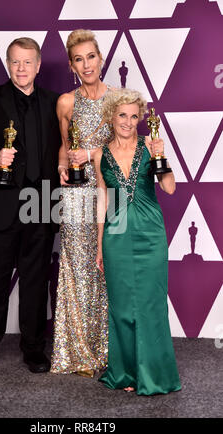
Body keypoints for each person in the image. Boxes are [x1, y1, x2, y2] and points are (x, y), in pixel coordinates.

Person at [0, 37, 61, 378]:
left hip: (42, 206)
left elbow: (61, 153)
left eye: (27, 61)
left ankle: (34, 350)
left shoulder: (55, 103)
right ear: (8, 64)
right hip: (0, 207)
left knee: (36, 282)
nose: (21, 68)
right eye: (15, 62)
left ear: (38, 64)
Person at [94, 88, 181, 395]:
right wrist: (99, 242)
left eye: (134, 116)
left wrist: (161, 155)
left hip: (150, 233)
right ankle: (127, 372)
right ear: (111, 116)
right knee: (121, 307)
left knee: (150, 304)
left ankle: (153, 372)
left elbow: (169, 187)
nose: (128, 122)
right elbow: (103, 198)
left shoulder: (149, 146)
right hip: (116, 236)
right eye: (122, 115)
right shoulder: (99, 153)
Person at [50, 29, 113, 377]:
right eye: (79, 59)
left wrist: (90, 153)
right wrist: (62, 166)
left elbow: (127, 151)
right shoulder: (65, 102)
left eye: (91, 56)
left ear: (100, 58)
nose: (86, 64)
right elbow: (64, 145)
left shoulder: (118, 100)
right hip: (75, 194)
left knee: (106, 266)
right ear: (72, 65)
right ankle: (77, 352)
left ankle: (107, 348)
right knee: (75, 266)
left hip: (108, 192)